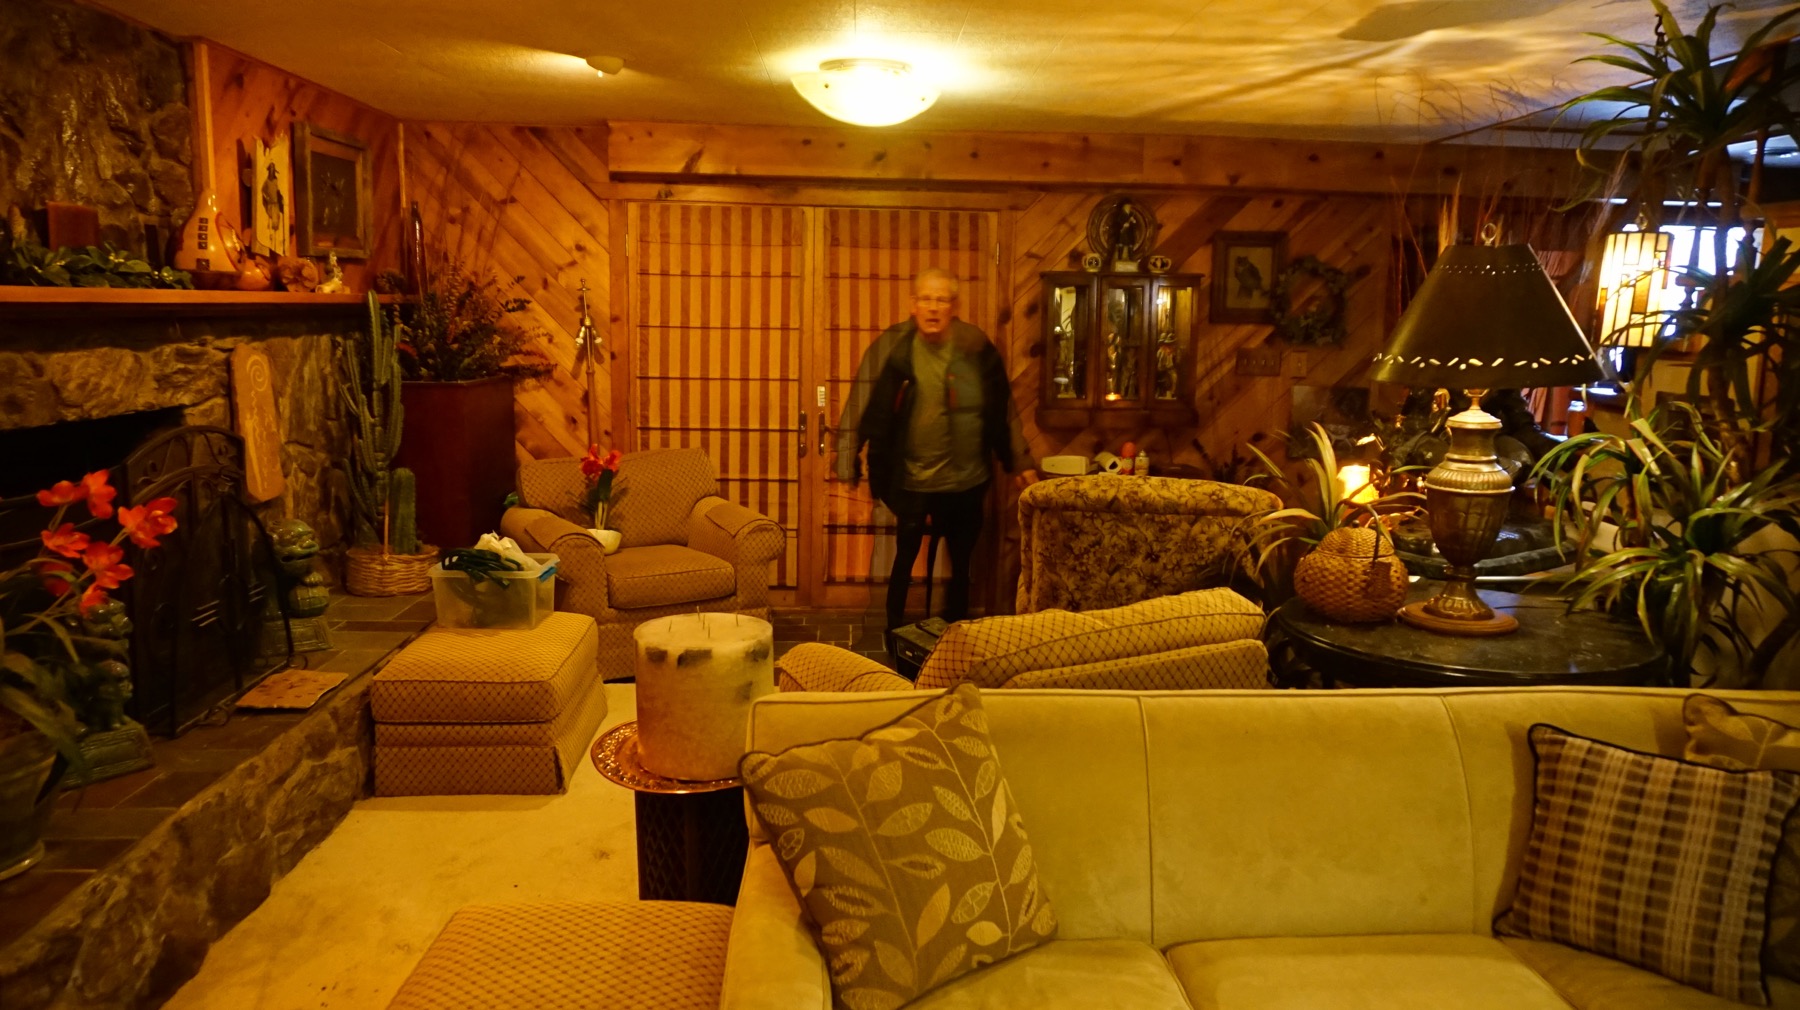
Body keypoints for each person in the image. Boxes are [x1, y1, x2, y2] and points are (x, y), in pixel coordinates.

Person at [834, 268, 1037, 632]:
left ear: (953, 307)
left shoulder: (975, 348)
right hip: (911, 479)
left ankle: (954, 636)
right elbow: (869, 406)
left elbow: (1001, 409)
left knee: (961, 564)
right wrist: (848, 455)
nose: (933, 307)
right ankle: (894, 633)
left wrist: (1020, 460)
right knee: (904, 556)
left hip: (966, 480)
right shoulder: (895, 348)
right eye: (926, 299)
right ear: (913, 305)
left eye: (941, 300)